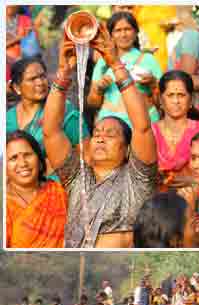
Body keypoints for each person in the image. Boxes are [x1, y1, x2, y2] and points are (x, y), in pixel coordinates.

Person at [43, 24, 159, 248]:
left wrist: (115, 64)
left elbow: (142, 127)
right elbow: (51, 132)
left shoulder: (138, 179)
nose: (100, 137)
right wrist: (63, 73)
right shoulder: (77, 178)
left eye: (110, 134)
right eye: (96, 133)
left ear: (127, 149)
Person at [86, 11, 161, 128]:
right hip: (109, 127)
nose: (123, 34)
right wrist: (99, 89)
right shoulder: (103, 62)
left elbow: (162, 102)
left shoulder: (149, 60)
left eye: (127, 29)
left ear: (136, 32)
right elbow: (93, 103)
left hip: (141, 126)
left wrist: (153, 84)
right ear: (111, 35)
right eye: (118, 30)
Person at [5, 130, 67, 249]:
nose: (22, 163)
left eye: (27, 155)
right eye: (13, 158)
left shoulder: (57, 192)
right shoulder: (5, 205)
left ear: (39, 159)